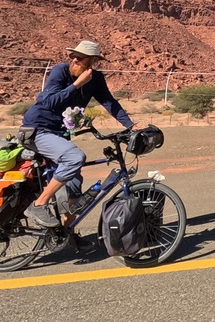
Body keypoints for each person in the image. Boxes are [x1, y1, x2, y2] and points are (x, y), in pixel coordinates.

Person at [21, 40, 139, 228]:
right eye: (73, 56)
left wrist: (131, 126)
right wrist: (77, 84)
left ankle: (67, 234)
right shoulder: (61, 71)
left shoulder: (96, 79)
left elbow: (109, 103)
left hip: (59, 133)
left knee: (74, 185)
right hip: (37, 129)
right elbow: (50, 102)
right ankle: (39, 204)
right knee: (75, 158)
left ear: (91, 60)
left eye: (80, 57)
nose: (74, 59)